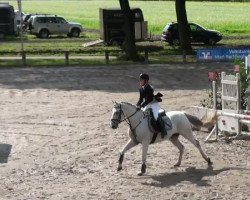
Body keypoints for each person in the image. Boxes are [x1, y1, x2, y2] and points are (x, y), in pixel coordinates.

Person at [136, 73, 167, 138]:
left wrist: (141, 106)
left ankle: (163, 131)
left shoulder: (149, 88)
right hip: (147, 105)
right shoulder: (141, 89)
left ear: (146, 81)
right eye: (140, 80)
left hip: (153, 105)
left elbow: (149, 100)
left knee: (155, 116)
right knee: (141, 115)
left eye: (141, 80)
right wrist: (137, 105)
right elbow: (141, 99)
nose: (140, 81)